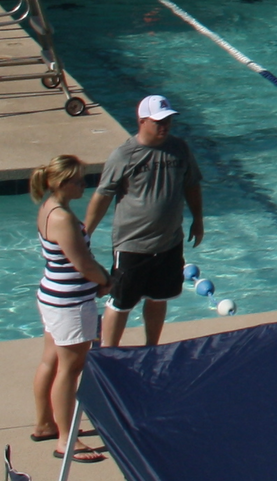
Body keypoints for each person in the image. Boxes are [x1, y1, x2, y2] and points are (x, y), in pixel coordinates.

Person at [85, 95, 202, 348]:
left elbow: (192, 184)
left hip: (169, 243)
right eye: (158, 121)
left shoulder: (179, 149)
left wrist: (198, 220)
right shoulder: (124, 155)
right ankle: (109, 352)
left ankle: (152, 348)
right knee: (121, 302)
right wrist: (86, 233)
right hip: (132, 245)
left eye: (168, 120)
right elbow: (102, 196)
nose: (165, 125)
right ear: (141, 121)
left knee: (159, 298)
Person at [29, 154, 109, 464]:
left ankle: (45, 423)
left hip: (52, 296)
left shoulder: (48, 208)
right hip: (70, 303)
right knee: (70, 370)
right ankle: (66, 440)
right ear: (62, 183)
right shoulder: (61, 217)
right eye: (79, 180)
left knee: (51, 361)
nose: (84, 185)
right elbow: (82, 263)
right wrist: (106, 279)